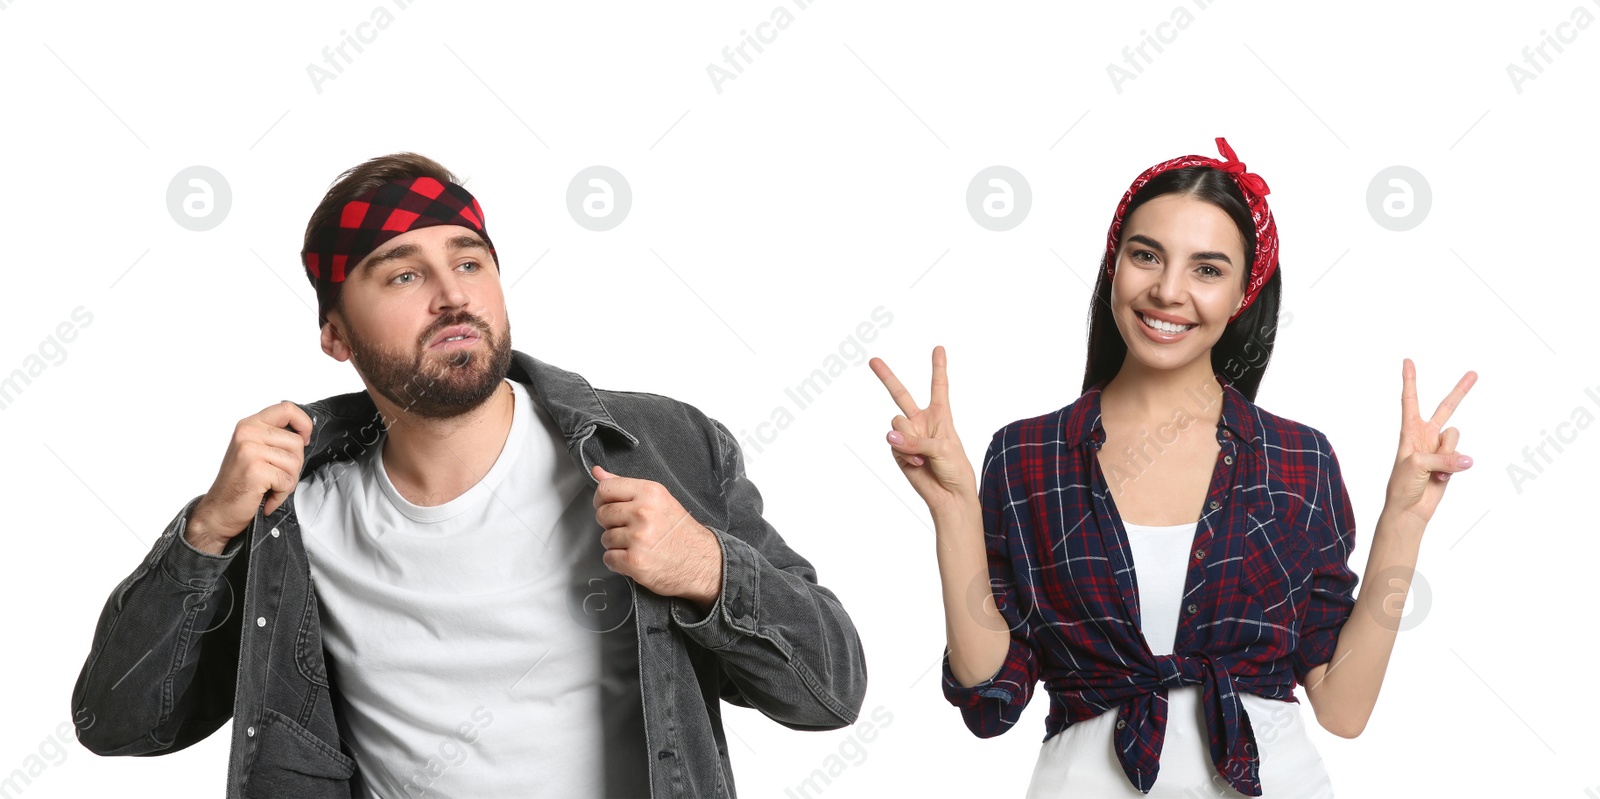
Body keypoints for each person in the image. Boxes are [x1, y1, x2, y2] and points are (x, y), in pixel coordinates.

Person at [71, 152, 867, 798]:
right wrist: (209, 529)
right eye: (403, 274)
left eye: (470, 260)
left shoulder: (661, 445)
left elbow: (832, 691)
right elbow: (118, 721)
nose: (453, 295)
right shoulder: (291, 509)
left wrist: (706, 568)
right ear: (335, 334)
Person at [869, 138, 1476, 797]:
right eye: (1146, 255)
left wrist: (1405, 521)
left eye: (1207, 269)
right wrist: (953, 508)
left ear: (1245, 291)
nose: (1167, 289)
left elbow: (1343, 708)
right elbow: (992, 696)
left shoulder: (1299, 460)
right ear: (1114, 264)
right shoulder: (1026, 455)